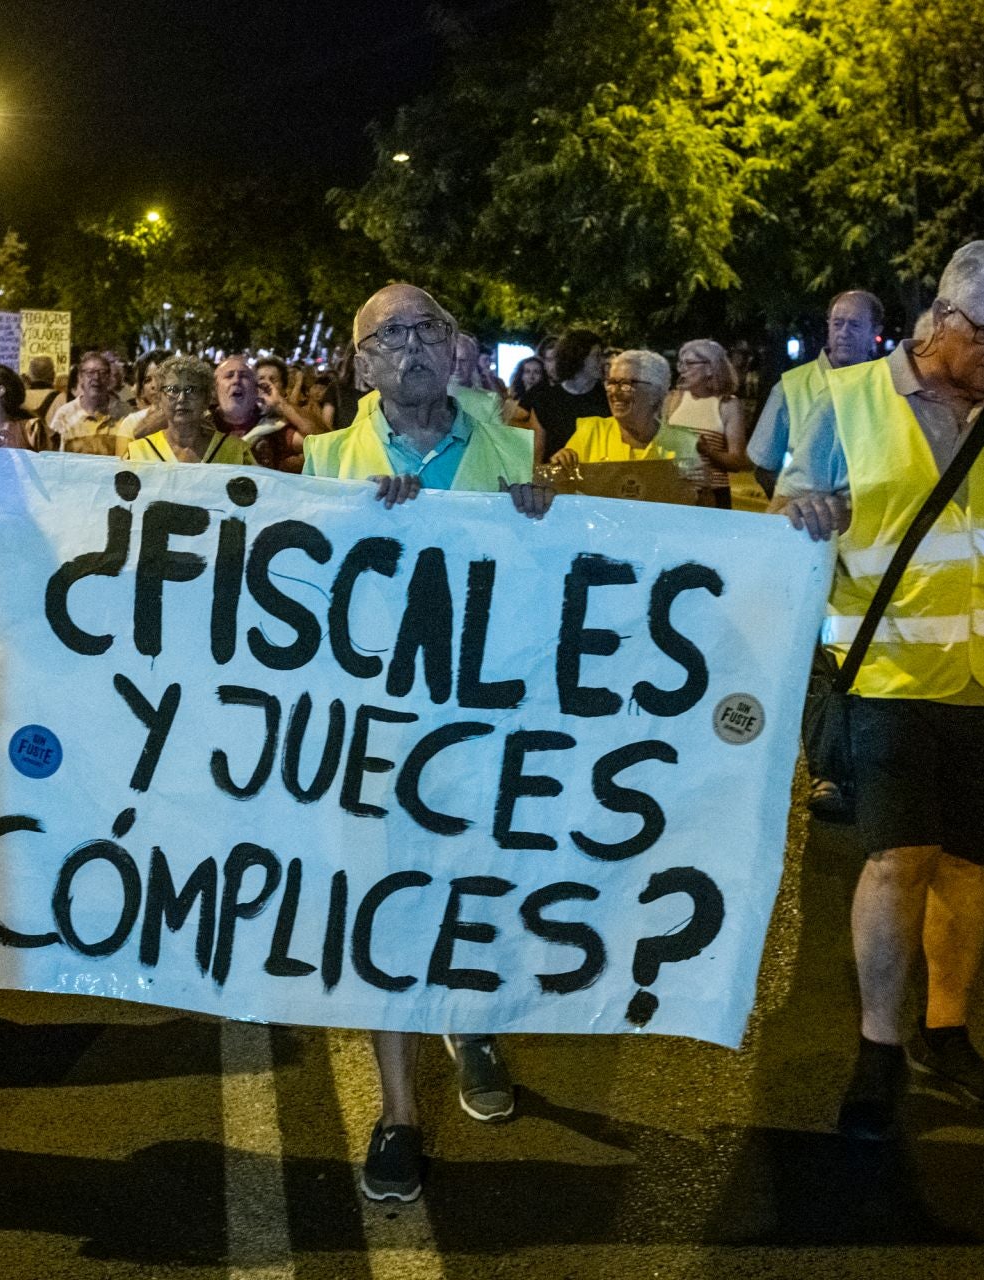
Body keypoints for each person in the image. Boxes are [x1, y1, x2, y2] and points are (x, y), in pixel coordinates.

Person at [775, 242, 984, 1141]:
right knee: (897, 859)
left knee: (970, 864)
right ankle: (877, 1050)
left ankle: (948, 1034)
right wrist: (805, 509)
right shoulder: (848, 400)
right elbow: (789, 504)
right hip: (893, 674)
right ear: (941, 318)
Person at [302, 282, 552, 1204]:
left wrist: (543, 519)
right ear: (361, 363)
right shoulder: (325, 460)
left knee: (478, 888)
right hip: (376, 729)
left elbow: (552, 582)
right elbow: (293, 593)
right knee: (387, 912)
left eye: (426, 330)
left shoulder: (516, 449)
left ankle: (475, 1023)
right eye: (387, 336)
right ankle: (397, 1113)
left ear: (455, 346)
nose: (409, 347)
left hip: (485, 724)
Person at [747, 291, 884, 498]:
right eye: (837, 323)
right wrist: (794, 506)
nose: (843, 332)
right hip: (804, 525)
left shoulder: (888, 387)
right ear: (828, 326)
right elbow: (764, 468)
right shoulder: (790, 387)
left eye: (854, 325)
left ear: (875, 331)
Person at [551, 349, 705, 495]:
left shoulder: (685, 443)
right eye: (611, 383)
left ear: (655, 393)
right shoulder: (591, 432)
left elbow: (699, 509)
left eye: (626, 385)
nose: (615, 392)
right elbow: (561, 492)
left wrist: (704, 489)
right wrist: (559, 469)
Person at [666, 339, 750, 507]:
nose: (683, 370)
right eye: (681, 364)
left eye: (689, 364)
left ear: (710, 368)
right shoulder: (673, 399)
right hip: (674, 492)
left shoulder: (727, 405)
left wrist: (707, 450)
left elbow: (737, 462)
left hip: (712, 496)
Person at [124, 355, 252, 464]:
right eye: (172, 390)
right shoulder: (139, 452)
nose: (182, 398)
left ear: (206, 399)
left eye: (192, 390)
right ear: (159, 399)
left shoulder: (236, 452)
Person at [511, 328, 607, 464]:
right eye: (597, 356)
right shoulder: (546, 400)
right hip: (558, 479)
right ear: (579, 357)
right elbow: (538, 452)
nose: (603, 361)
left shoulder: (608, 398)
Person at [49, 351, 126, 455]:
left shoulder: (125, 414)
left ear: (109, 378)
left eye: (102, 372)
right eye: (90, 373)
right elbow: (54, 458)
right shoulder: (64, 415)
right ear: (80, 378)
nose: (96, 377)